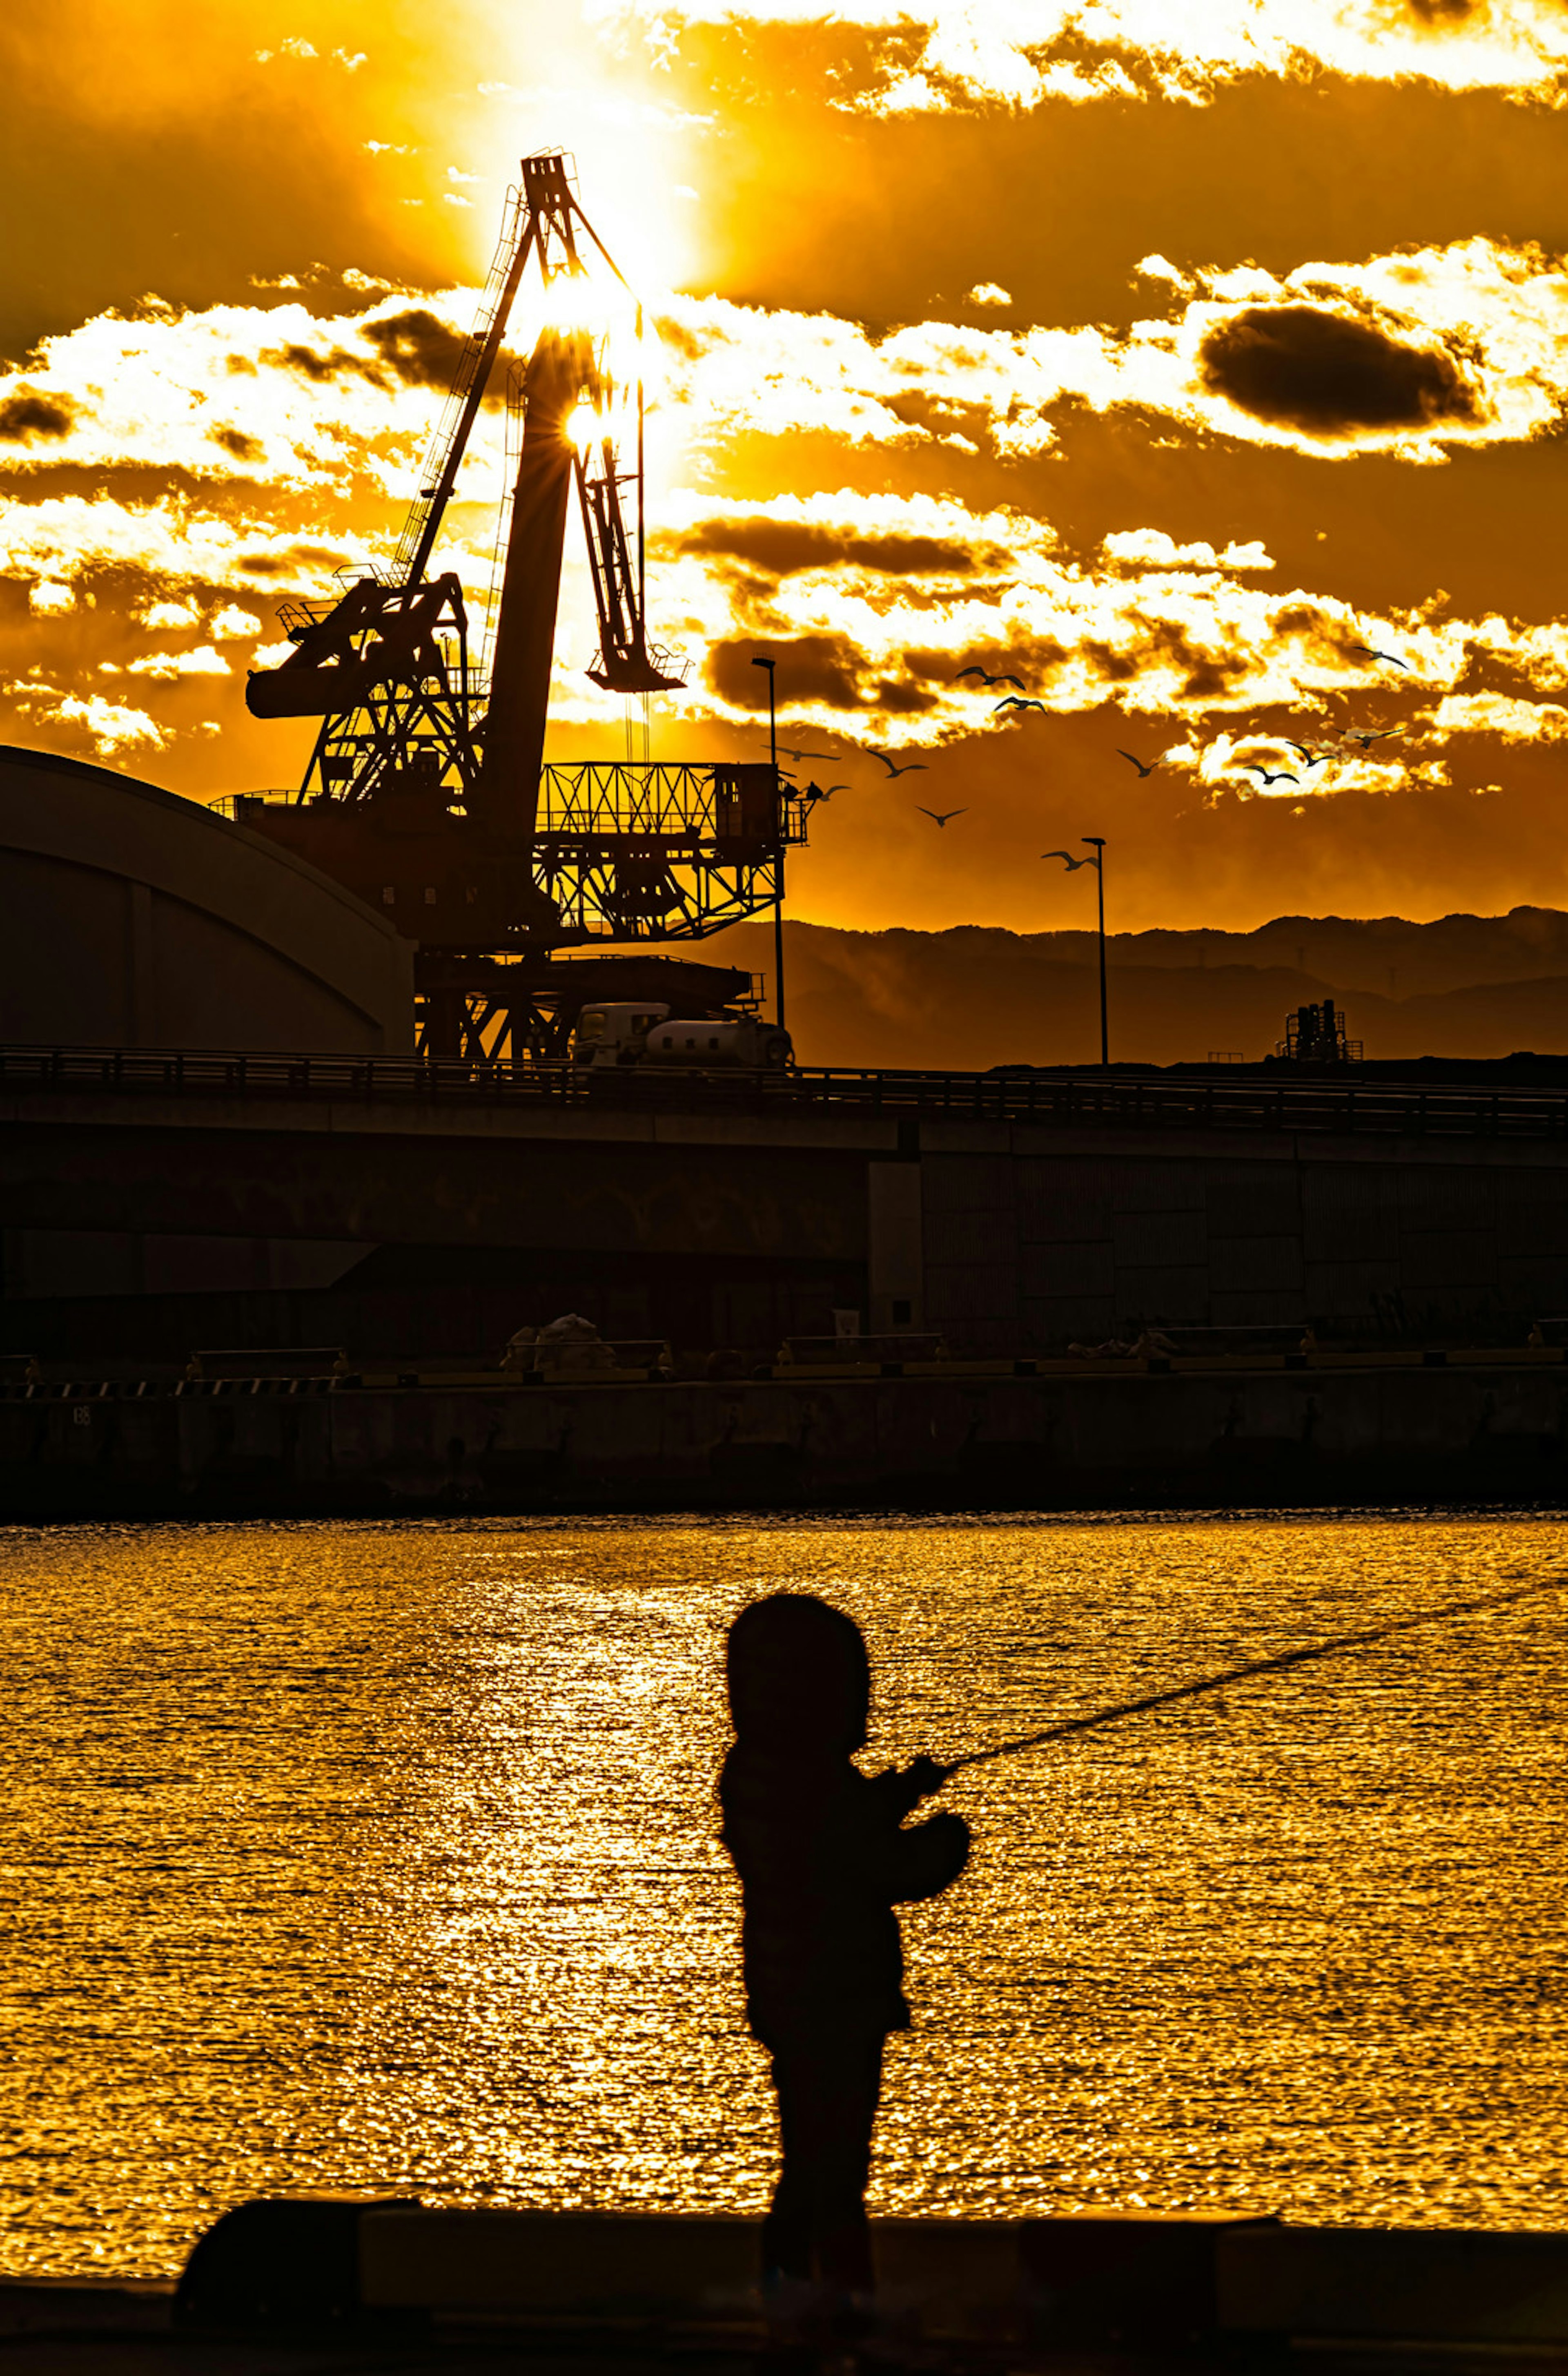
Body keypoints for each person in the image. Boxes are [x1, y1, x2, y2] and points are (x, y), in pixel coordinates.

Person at [718, 1593, 970, 2321]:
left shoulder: (761, 1771)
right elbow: (881, 1865)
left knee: (819, 2161)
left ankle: (817, 2304)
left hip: (793, 1994)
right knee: (829, 2168)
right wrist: (946, 1838)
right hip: (833, 1994)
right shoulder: (809, 1780)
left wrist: (902, 1790)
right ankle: (820, 2305)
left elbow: (840, 1822)